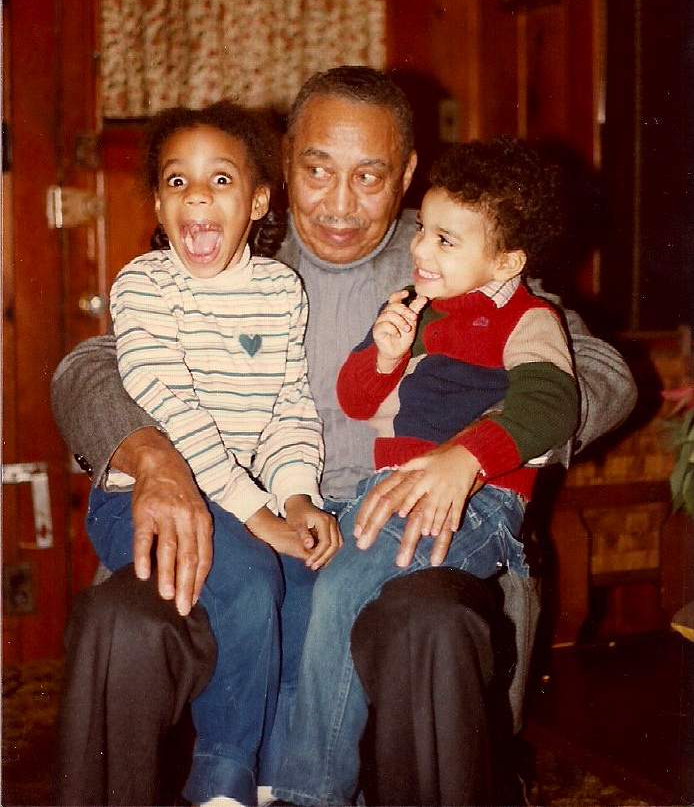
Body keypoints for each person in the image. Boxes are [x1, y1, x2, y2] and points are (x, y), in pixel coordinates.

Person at [52, 66, 637, 806]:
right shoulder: (234, 249)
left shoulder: (449, 261)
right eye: (318, 169)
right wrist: (149, 453)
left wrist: (475, 451)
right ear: (283, 165)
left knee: (432, 622)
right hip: (242, 525)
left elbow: (599, 372)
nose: (338, 202)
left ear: (408, 176)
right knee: (122, 618)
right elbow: (89, 366)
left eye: (370, 175)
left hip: (403, 529)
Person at [272, 138, 579, 805]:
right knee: (333, 589)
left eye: (445, 241)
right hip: (384, 491)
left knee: (344, 586)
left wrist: (467, 459)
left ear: (506, 260)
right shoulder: (414, 307)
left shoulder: (528, 319)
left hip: (482, 503)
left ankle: (310, 792)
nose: (420, 252)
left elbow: (552, 404)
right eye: (423, 233)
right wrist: (382, 355)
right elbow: (357, 401)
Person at [69, 100, 342, 807]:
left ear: (257, 201)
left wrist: (298, 499)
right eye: (177, 181)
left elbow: (289, 407)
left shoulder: (282, 291)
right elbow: (173, 414)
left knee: (310, 581)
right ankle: (222, 775)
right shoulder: (143, 287)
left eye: (220, 181)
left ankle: (277, 762)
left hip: (242, 493)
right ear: (160, 203)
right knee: (250, 577)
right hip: (140, 496)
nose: (197, 197)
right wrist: (258, 516)